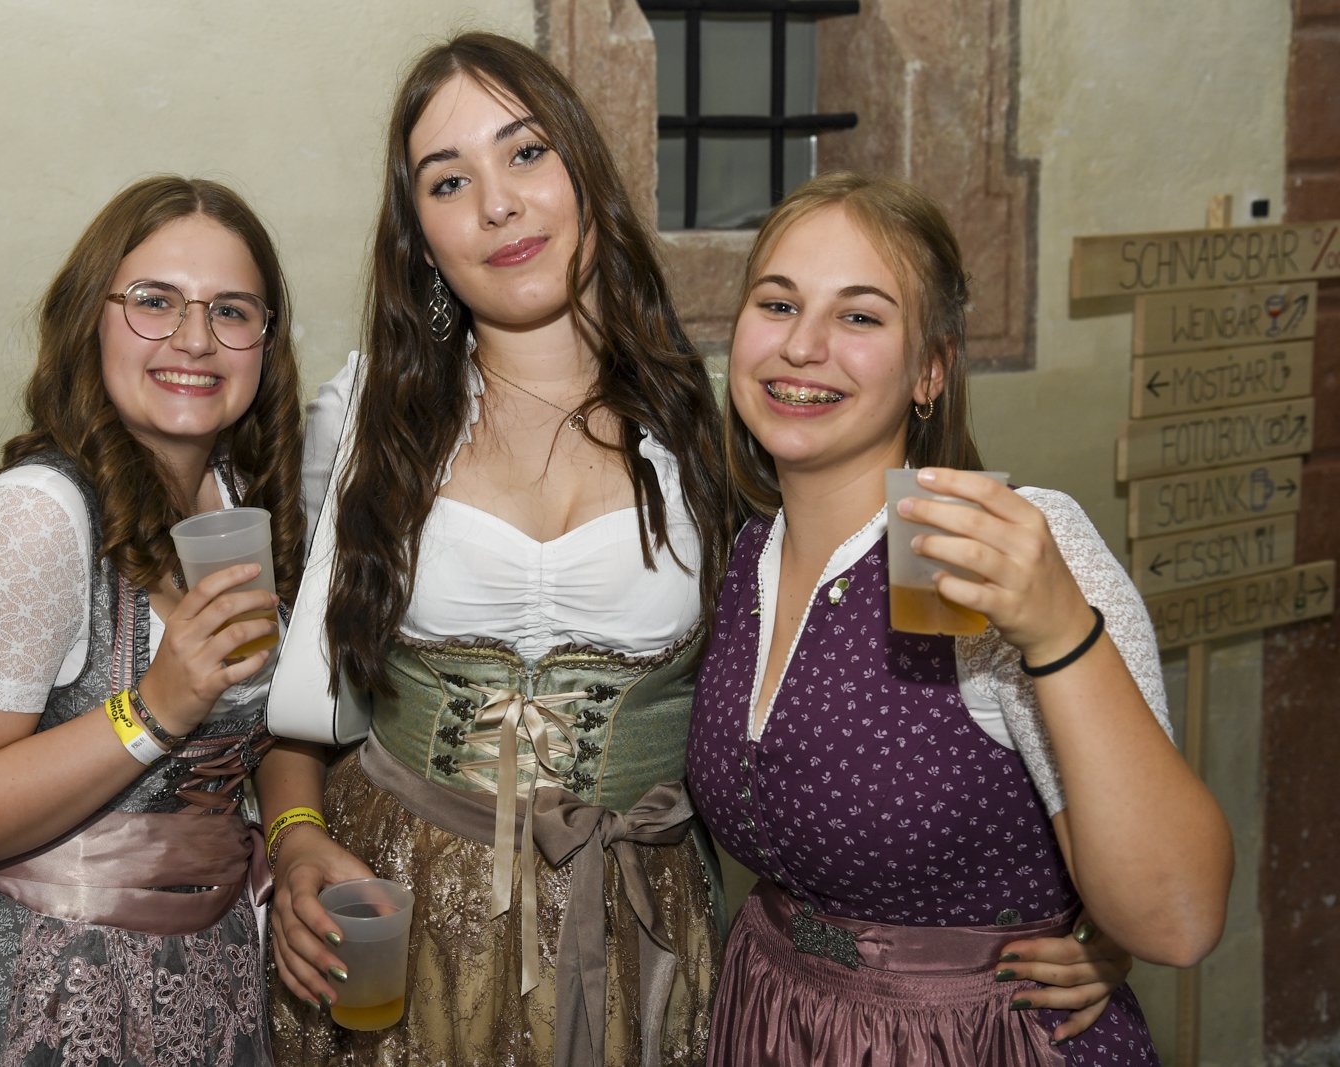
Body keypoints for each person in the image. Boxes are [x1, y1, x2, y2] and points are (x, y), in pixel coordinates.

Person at [255, 32, 731, 1067]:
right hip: (398, 910)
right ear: (421, 237)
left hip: (637, 920)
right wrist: (294, 837)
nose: (497, 205)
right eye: (448, 180)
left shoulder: (710, 430)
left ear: (585, 172)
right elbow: (301, 703)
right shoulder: (366, 421)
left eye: (524, 153)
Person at [687, 171, 1235, 1064]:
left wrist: (1058, 630)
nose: (803, 345)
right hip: (775, 1020)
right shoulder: (747, 549)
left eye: (860, 316)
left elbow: (1177, 918)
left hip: (978, 1039)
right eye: (777, 304)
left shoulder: (988, 546)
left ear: (930, 370)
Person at [0, 175, 304, 1067]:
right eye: (154, 301)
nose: (195, 339)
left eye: (231, 311)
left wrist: (297, 833)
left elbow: (265, 726)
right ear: (91, 318)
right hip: (36, 994)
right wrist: (154, 709)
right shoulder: (37, 518)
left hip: (206, 976)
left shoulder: (236, 497)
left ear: (265, 343)